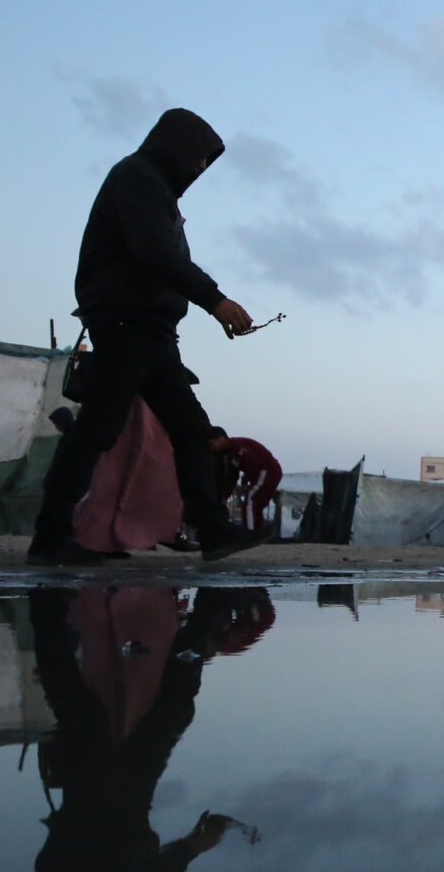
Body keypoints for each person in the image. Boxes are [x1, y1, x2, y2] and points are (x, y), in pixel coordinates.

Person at [30, 584, 268, 872]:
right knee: (105, 715)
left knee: (119, 717)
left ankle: (207, 611)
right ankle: (204, 615)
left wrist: (191, 849)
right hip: (106, 817)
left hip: (103, 816)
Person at [29, 107, 266, 565]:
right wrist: (215, 300)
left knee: (192, 431)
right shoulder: (135, 178)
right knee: (98, 430)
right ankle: (50, 537)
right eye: (198, 159)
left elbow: (162, 256)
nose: (199, 170)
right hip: (125, 323)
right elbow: (156, 253)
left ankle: (213, 530)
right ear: (175, 148)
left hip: (153, 331)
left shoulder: (156, 192)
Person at [210, 428, 283, 534]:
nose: (213, 448)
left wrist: (245, 481)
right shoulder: (228, 455)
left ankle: (250, 533)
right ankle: (257, 531)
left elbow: (252, 462)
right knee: (256, 504)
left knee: (251, 502)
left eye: (212, 444)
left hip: (267, 471)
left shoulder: (238, 446)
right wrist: (225, 496)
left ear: (221, 438)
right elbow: (232, 476)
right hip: (262, 474)